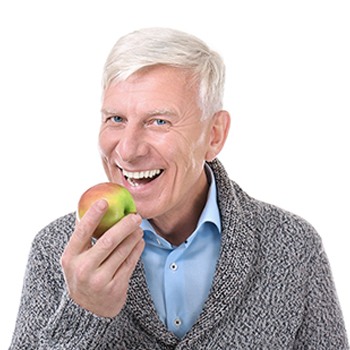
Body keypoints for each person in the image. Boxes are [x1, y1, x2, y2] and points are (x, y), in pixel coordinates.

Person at [9, 27, 349, 349]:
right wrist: (86, 311)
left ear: (213, 135)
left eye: (159, 121)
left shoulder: (292, 246)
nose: (128, 150)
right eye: (116, 119)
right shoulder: (55, 250)